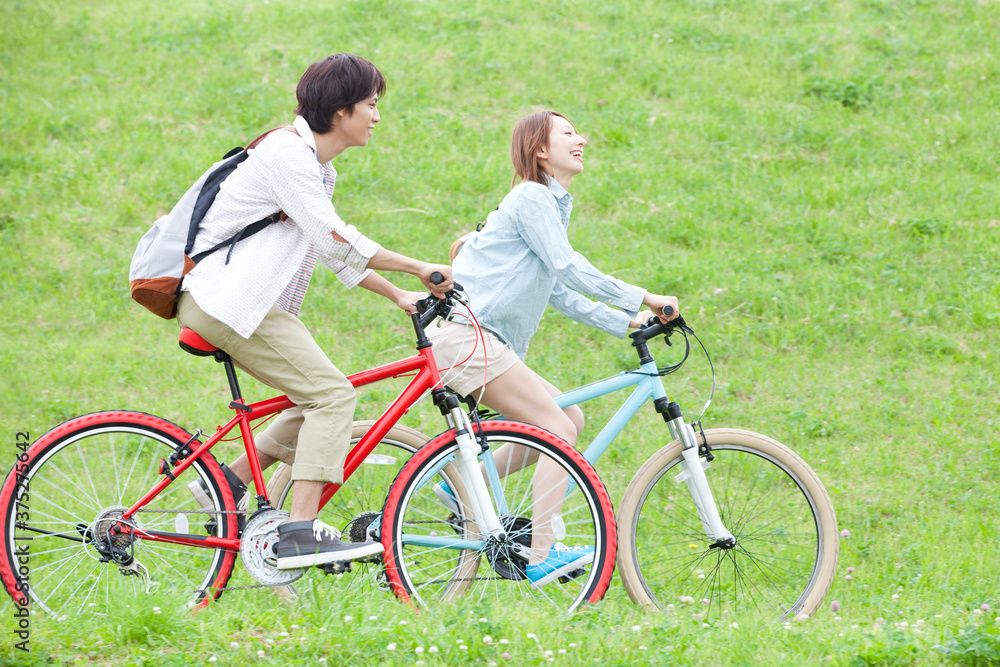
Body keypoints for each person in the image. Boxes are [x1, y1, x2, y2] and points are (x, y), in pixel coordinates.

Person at [180, 53, 452, 570]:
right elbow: (335, 235)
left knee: (310, 401)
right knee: (332, 396)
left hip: (240, 303)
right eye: (371, 105)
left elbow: (328, 249)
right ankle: (299, 534)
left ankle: (225, 485)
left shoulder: (316, 170)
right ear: (341, 109)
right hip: (230, 302)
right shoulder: (288, 155)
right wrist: (417, 267)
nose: (377, 117)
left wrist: (395, 294)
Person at [427, 110, 679, 585]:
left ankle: (463, 486)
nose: (581, 138)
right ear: (540, 149)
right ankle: (543, 552)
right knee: (556, 427)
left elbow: (560, 293)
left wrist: (629, 323)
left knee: (570, 418)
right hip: (469, 339)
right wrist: (645, 296)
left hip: (481, 341)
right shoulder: (531, 197)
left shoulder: (548, 205)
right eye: (568, 133)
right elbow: (568, 266)